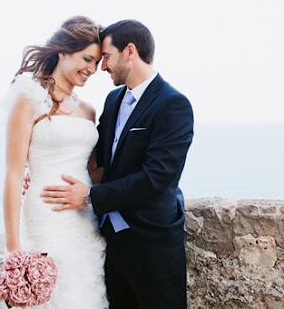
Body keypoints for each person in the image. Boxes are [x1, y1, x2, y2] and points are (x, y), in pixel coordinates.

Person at [41, 19, 194, 309]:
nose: (102, 67)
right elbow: (96, 158)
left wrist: (88, 197)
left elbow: (156, 178)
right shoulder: (112, 100)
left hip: (152, 243)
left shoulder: (173, 104)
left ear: (130, 51)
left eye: (106, 57)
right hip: (109, 242)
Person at [0, 16, 108, 308]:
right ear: (63, 51)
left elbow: (92, 171)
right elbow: (13, 176)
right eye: (86, 59)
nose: (91, 69)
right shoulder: (29, 101)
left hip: (83, 221)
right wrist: (14, 251)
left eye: (96, 63)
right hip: (45, 218)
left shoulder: (88, 111)